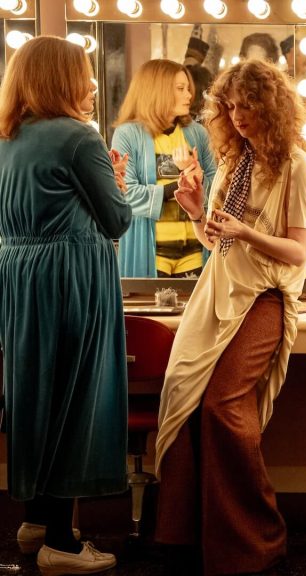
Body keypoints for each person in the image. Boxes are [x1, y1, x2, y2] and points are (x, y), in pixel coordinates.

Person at [152, 59, 306, 575]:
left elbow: (298, 253)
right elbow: (215, 242)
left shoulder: (298, 167)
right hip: (216, 292)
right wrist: (199, 212)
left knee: (224, 405)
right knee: (183, 399)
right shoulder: (234, 160)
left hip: (263, 298)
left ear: (271, 106)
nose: (239, 115)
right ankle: (187, 539)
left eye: (248, 104)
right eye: (231, 106)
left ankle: (255, 539)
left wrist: (245, 233)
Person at [0, 35, 131, 575]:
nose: (91, 83)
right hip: (70, 279)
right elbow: (117, 219)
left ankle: (35, 523)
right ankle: (62, 544)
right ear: (63, 78)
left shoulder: (8, 137)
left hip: (19, 276)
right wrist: (117, 183)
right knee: (76, 399)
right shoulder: (78, 138)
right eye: (82, 72)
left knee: (34, 395)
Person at [111, 59, 218, 278]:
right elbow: (126, 194)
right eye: (181, 89)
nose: (189, 95)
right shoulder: (128, 134)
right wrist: (180, 187)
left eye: (188, 89)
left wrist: (197, 177)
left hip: (196, 253)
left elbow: (218, 191)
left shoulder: (197, 133)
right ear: (156, 90)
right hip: (150, 253)